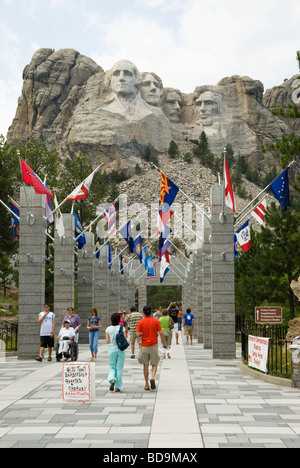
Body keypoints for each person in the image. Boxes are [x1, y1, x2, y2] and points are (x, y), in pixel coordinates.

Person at [136, 305, 168, 391]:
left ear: (143, 313)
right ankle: (153, 377)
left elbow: (137, 334)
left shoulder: (141, 322)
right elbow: (161, 333)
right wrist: (164, 343)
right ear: (150, 312)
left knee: (145, 364)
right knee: (154, 363)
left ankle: (146, 384)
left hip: (144, 345)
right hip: (154, 345)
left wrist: (142, 335)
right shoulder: (156, 321)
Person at [105, 313, 127, 393]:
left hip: (112, 349)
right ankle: (118, 387)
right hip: (120, 349)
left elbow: (107, 341)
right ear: (119, 320)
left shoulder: (108, 329)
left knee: (112, 367)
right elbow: (125, 338)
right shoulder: (122, 328)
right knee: (119, 368)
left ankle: (112, 379)